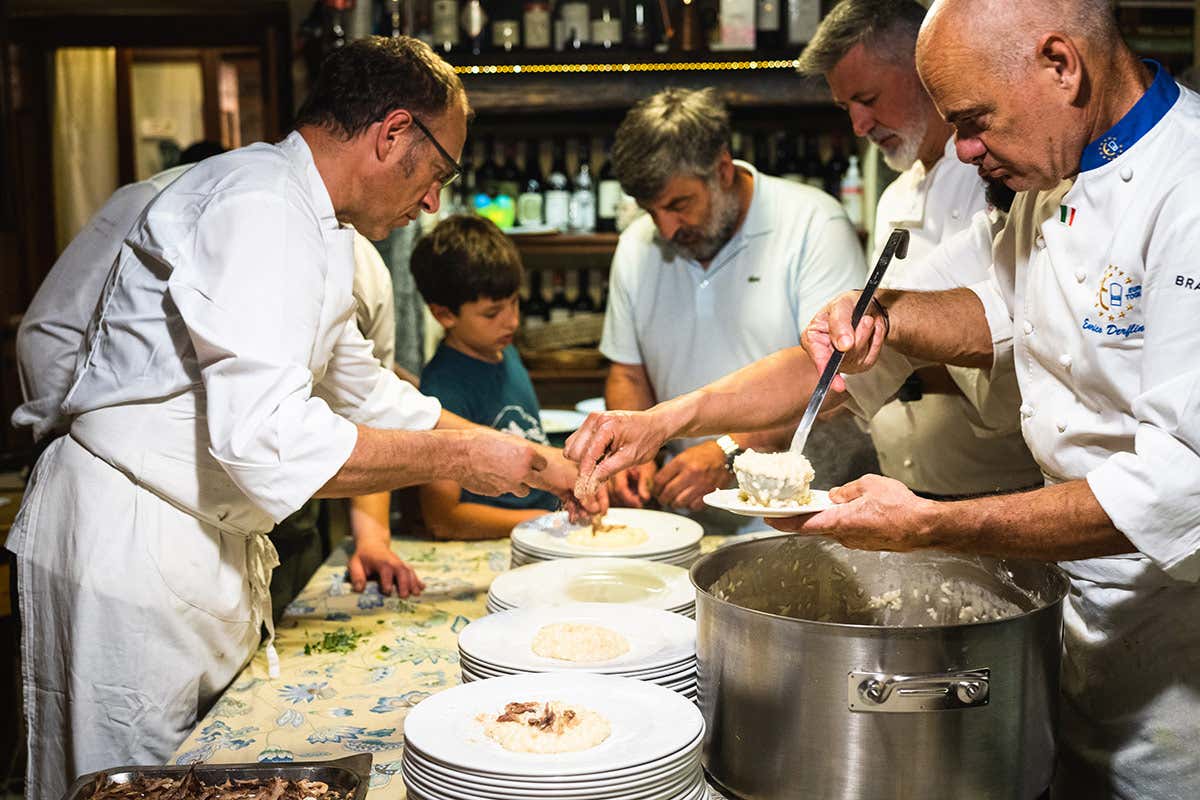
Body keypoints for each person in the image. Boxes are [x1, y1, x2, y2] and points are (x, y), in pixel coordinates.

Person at [568, 2, 1200, 796]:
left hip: (1179, 649)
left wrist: (934, 526)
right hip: (1078, 613)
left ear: (1060, 63)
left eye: (973, 120)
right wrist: (882, 316)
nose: (963, 150)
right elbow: (970, 307)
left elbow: (1180, 487)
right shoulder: (1050, 179)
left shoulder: (1189, 190)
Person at [8, 36, 594, 800]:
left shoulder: (313, 222)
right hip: (130, 535)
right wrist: (461, 462)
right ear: (392, 133)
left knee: (200, 767)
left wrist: (526, 457)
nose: (432, 202)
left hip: (191, 527)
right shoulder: (262, 205)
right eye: (440, 171)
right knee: (134, 779)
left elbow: (368, 389)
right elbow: (270, 440)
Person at [13, 156, 421, 615]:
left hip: (300, 493)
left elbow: (367, 400)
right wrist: (78, 441)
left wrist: (372, 535)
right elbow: (48, 334)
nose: (429, 202)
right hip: (149, 506)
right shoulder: (150, 203)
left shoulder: (359, 261)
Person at [600, 87, 874, 533]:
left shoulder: (813, 225)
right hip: (683, 515)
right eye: (651, 211)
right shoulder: (635, 247)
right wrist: (639, 451)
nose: (665, 228)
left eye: (678, 205)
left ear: (722, 170)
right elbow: (628, 373)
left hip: (806, 516)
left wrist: (731, 451)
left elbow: (838, 381)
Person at [798, 0, 1042, 497]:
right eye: (848, 108)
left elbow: (1016, 342)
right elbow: (876, 338)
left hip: (1002, 490)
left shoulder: (1000, 176)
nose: (860, 125)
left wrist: (898, 354)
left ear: (926, 69)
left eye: (869, 98)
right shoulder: (894, 197)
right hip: (904, 484)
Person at [410, 215, 561, 539]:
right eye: (492, 313)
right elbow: (443, 517)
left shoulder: (503, 350)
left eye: (514, 303)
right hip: (511, 534)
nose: (512, 322)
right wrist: (539, 521)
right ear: (444, 314)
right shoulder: (442, 391)